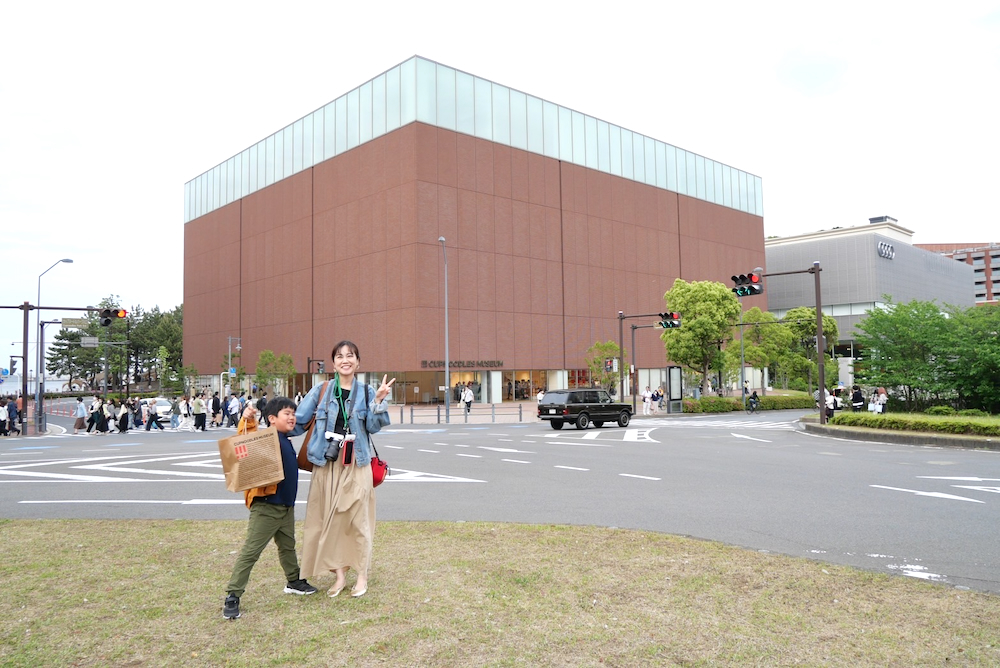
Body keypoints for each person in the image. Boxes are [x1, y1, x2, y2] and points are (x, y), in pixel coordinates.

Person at [293, 341, 393, 599]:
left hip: (357, 462)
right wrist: (265, 423)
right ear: (333, 363)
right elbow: (298, 421)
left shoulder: (367, 391)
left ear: (358, 362)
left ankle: (361, 575)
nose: (345, 360)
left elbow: (372, 426)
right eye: (339, 356)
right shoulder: (321, 390)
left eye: (350, 356)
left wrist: (379, 401)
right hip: (327, 463)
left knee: (358, 520)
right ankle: (339, 575)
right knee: (328, 520)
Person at [222, 396, 318, 620]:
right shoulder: (268, 438)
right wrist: (248, 418)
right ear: (272, 419)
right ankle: (233, 595)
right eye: (287, 414)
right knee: (250, 553)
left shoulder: (285, 438)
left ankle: (294, 581)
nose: (292, 417)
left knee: (287, 546)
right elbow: (245, 441)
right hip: (266, 507)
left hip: (286, 507)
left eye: (293, 413)